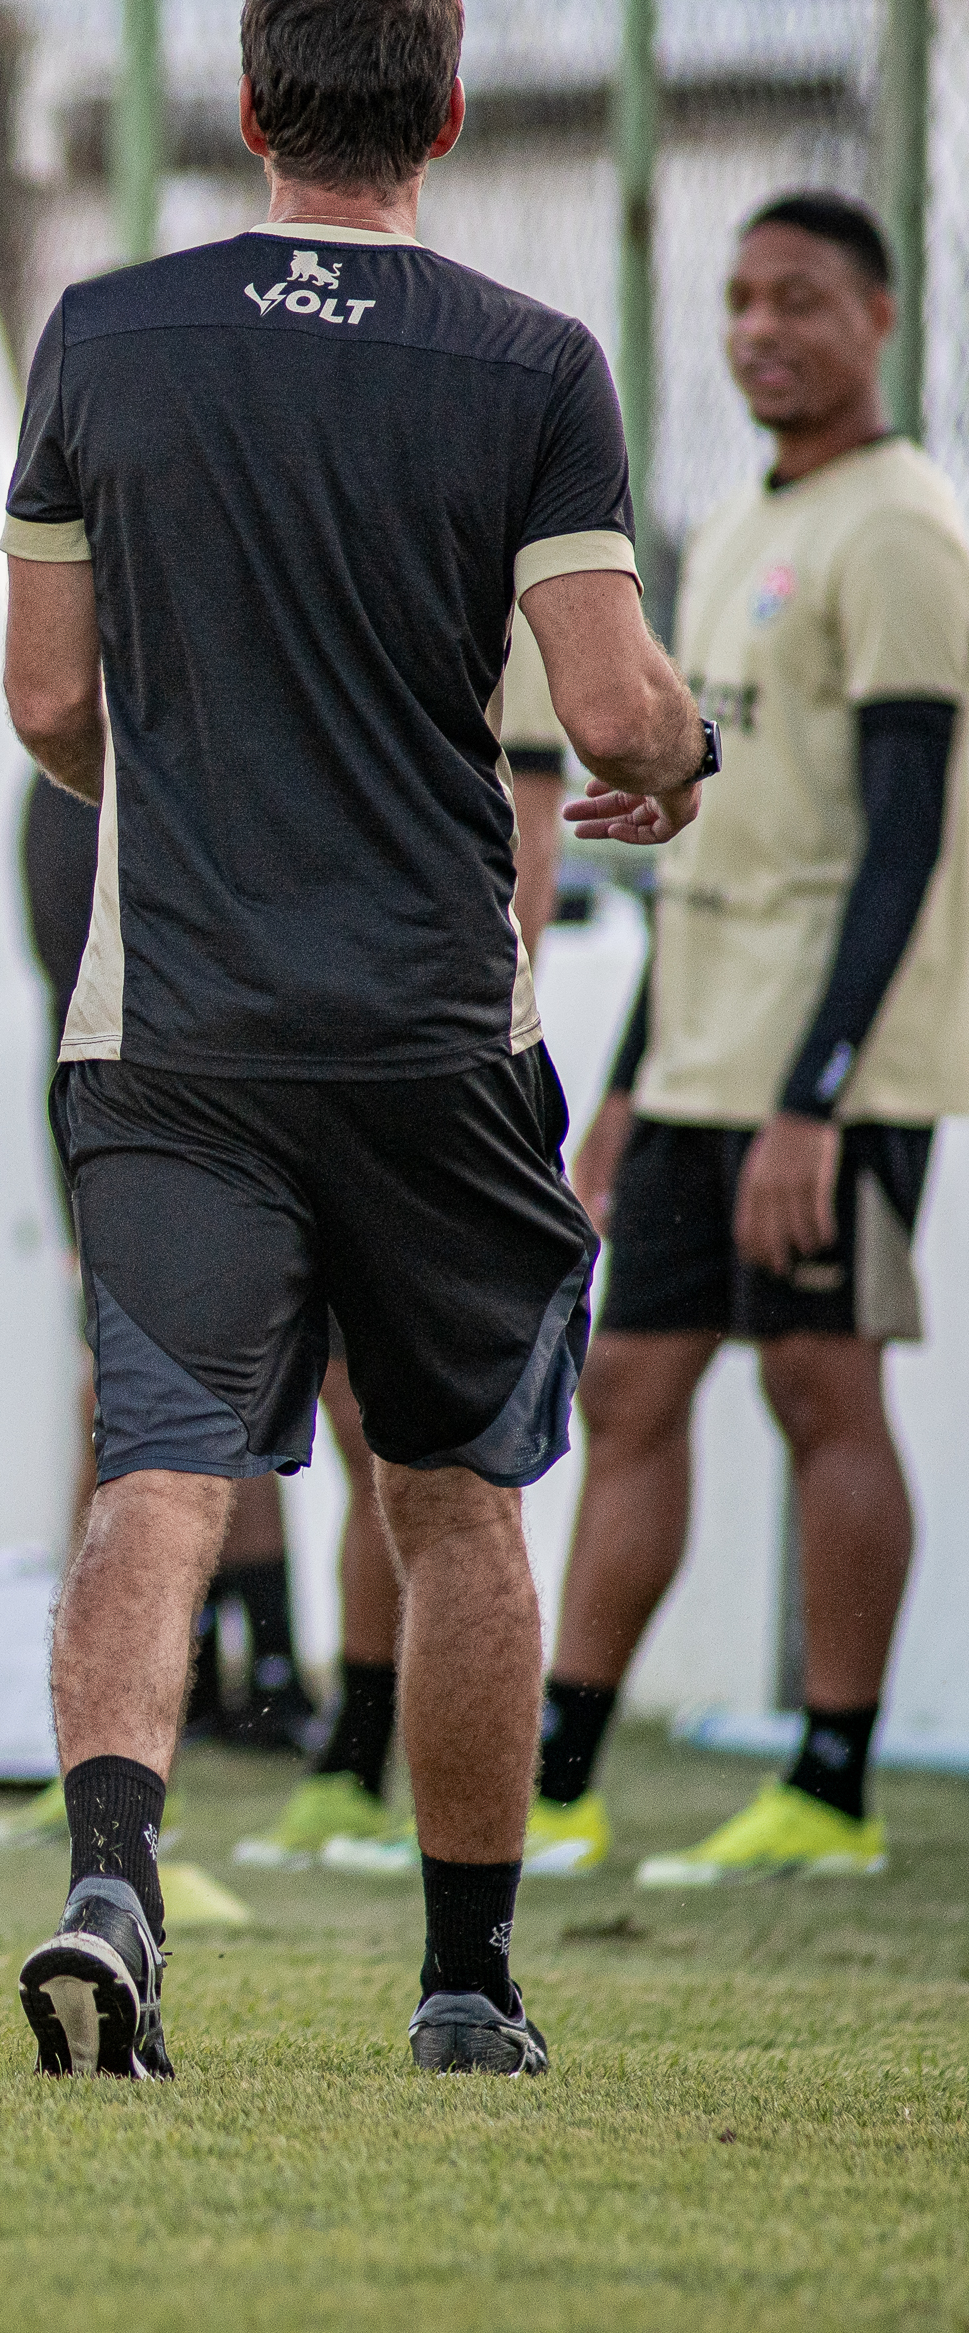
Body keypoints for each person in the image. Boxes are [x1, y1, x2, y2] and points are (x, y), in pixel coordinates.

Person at [0, 0, 709, 2080]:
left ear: (243, 109)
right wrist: (687, 748)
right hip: (429, 1032)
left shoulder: (103, 337)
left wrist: (189, 794)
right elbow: (611, 715)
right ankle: (467, 1979)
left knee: (159, 1457)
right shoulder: (527, 362)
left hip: (178, 1022)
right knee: (457, 1495)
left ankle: (113, 1879)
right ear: (453, 110)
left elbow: (48, 701)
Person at [532, 189, 963, 1887]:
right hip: (703, 1061)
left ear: (879, 319)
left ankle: (836, 1785)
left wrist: (817, 1099)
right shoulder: (720, 540)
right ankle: (559, 1776)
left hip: (834, 1078)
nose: (761, 328)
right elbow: (709, 833)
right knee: (632, 1387)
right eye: (739, 298)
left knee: (818, 1381)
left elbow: (910, 841)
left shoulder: (905, 531)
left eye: (800, 297)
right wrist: (635, 1079)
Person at [252, 621, 574, 1873]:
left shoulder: (519, 567)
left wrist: (487, 1046)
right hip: (309, 1053)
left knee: (443, 1451)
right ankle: (352, 1752)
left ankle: (463, 1802)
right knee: (368, 1435)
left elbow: (530, 831)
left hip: (435, 1065)